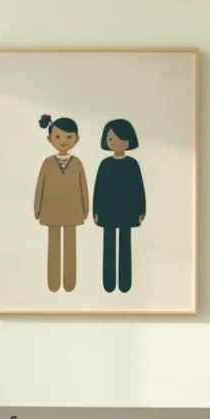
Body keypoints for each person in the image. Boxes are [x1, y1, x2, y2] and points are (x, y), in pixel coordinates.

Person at [34, 114, 89, 292]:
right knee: (53, 246)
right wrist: (37, 208)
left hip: (73, 210)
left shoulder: (78, 163)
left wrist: (86, 209)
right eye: (57, 137)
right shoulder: (47, 163)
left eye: (68, 137)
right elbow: (40, 186)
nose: (63, 141)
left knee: (70, 247)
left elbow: (83, 187)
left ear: (76, 139)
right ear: (50, 139)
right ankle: (53, 282)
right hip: (51, 210)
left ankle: (70, 282)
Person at [92, 118, 146, 293]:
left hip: (127, 210)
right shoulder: (105, 164)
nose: (113, 142)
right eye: (110, 138)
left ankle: (125, 283)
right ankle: (108, 283)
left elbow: (139, 188)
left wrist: (141, 210)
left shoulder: (133, 164)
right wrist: (96, 210)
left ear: (128, 140)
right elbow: (98, 189)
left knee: (125, 247)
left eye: (117, 138)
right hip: (107, 211)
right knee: (108, 247)